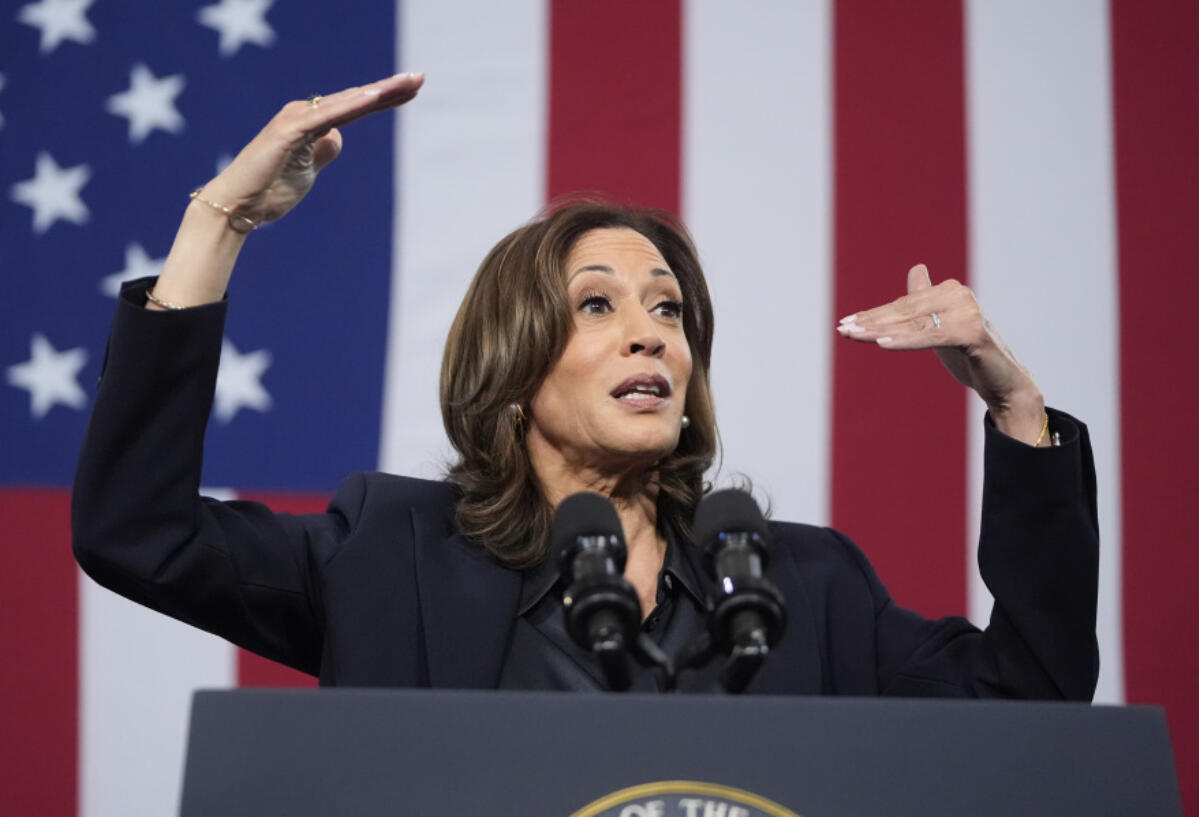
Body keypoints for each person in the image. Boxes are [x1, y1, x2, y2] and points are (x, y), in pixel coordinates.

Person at [71, 73, 1099, 697]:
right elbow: (135, 531)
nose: (650, 336)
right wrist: (219, 223)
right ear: (512, 369)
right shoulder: (387, 553)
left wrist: (1016, 415)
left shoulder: (803, 587)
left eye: (668, 310)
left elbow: (1029, 697)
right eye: (598, 306)